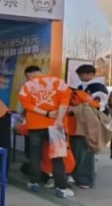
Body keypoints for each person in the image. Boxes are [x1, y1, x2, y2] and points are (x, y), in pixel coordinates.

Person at [18, 65, 72, 197]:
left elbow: (27, 106)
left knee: (35, 156)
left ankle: (34, 182)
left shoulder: (26, 86)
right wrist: (58, 119)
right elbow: (64, 103)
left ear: (28, 75)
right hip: (56, 125)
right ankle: (62, 188)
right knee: (58, 158)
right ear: (41, 72)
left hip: (35, 126)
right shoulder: (59, 83)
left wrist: (46, 113)